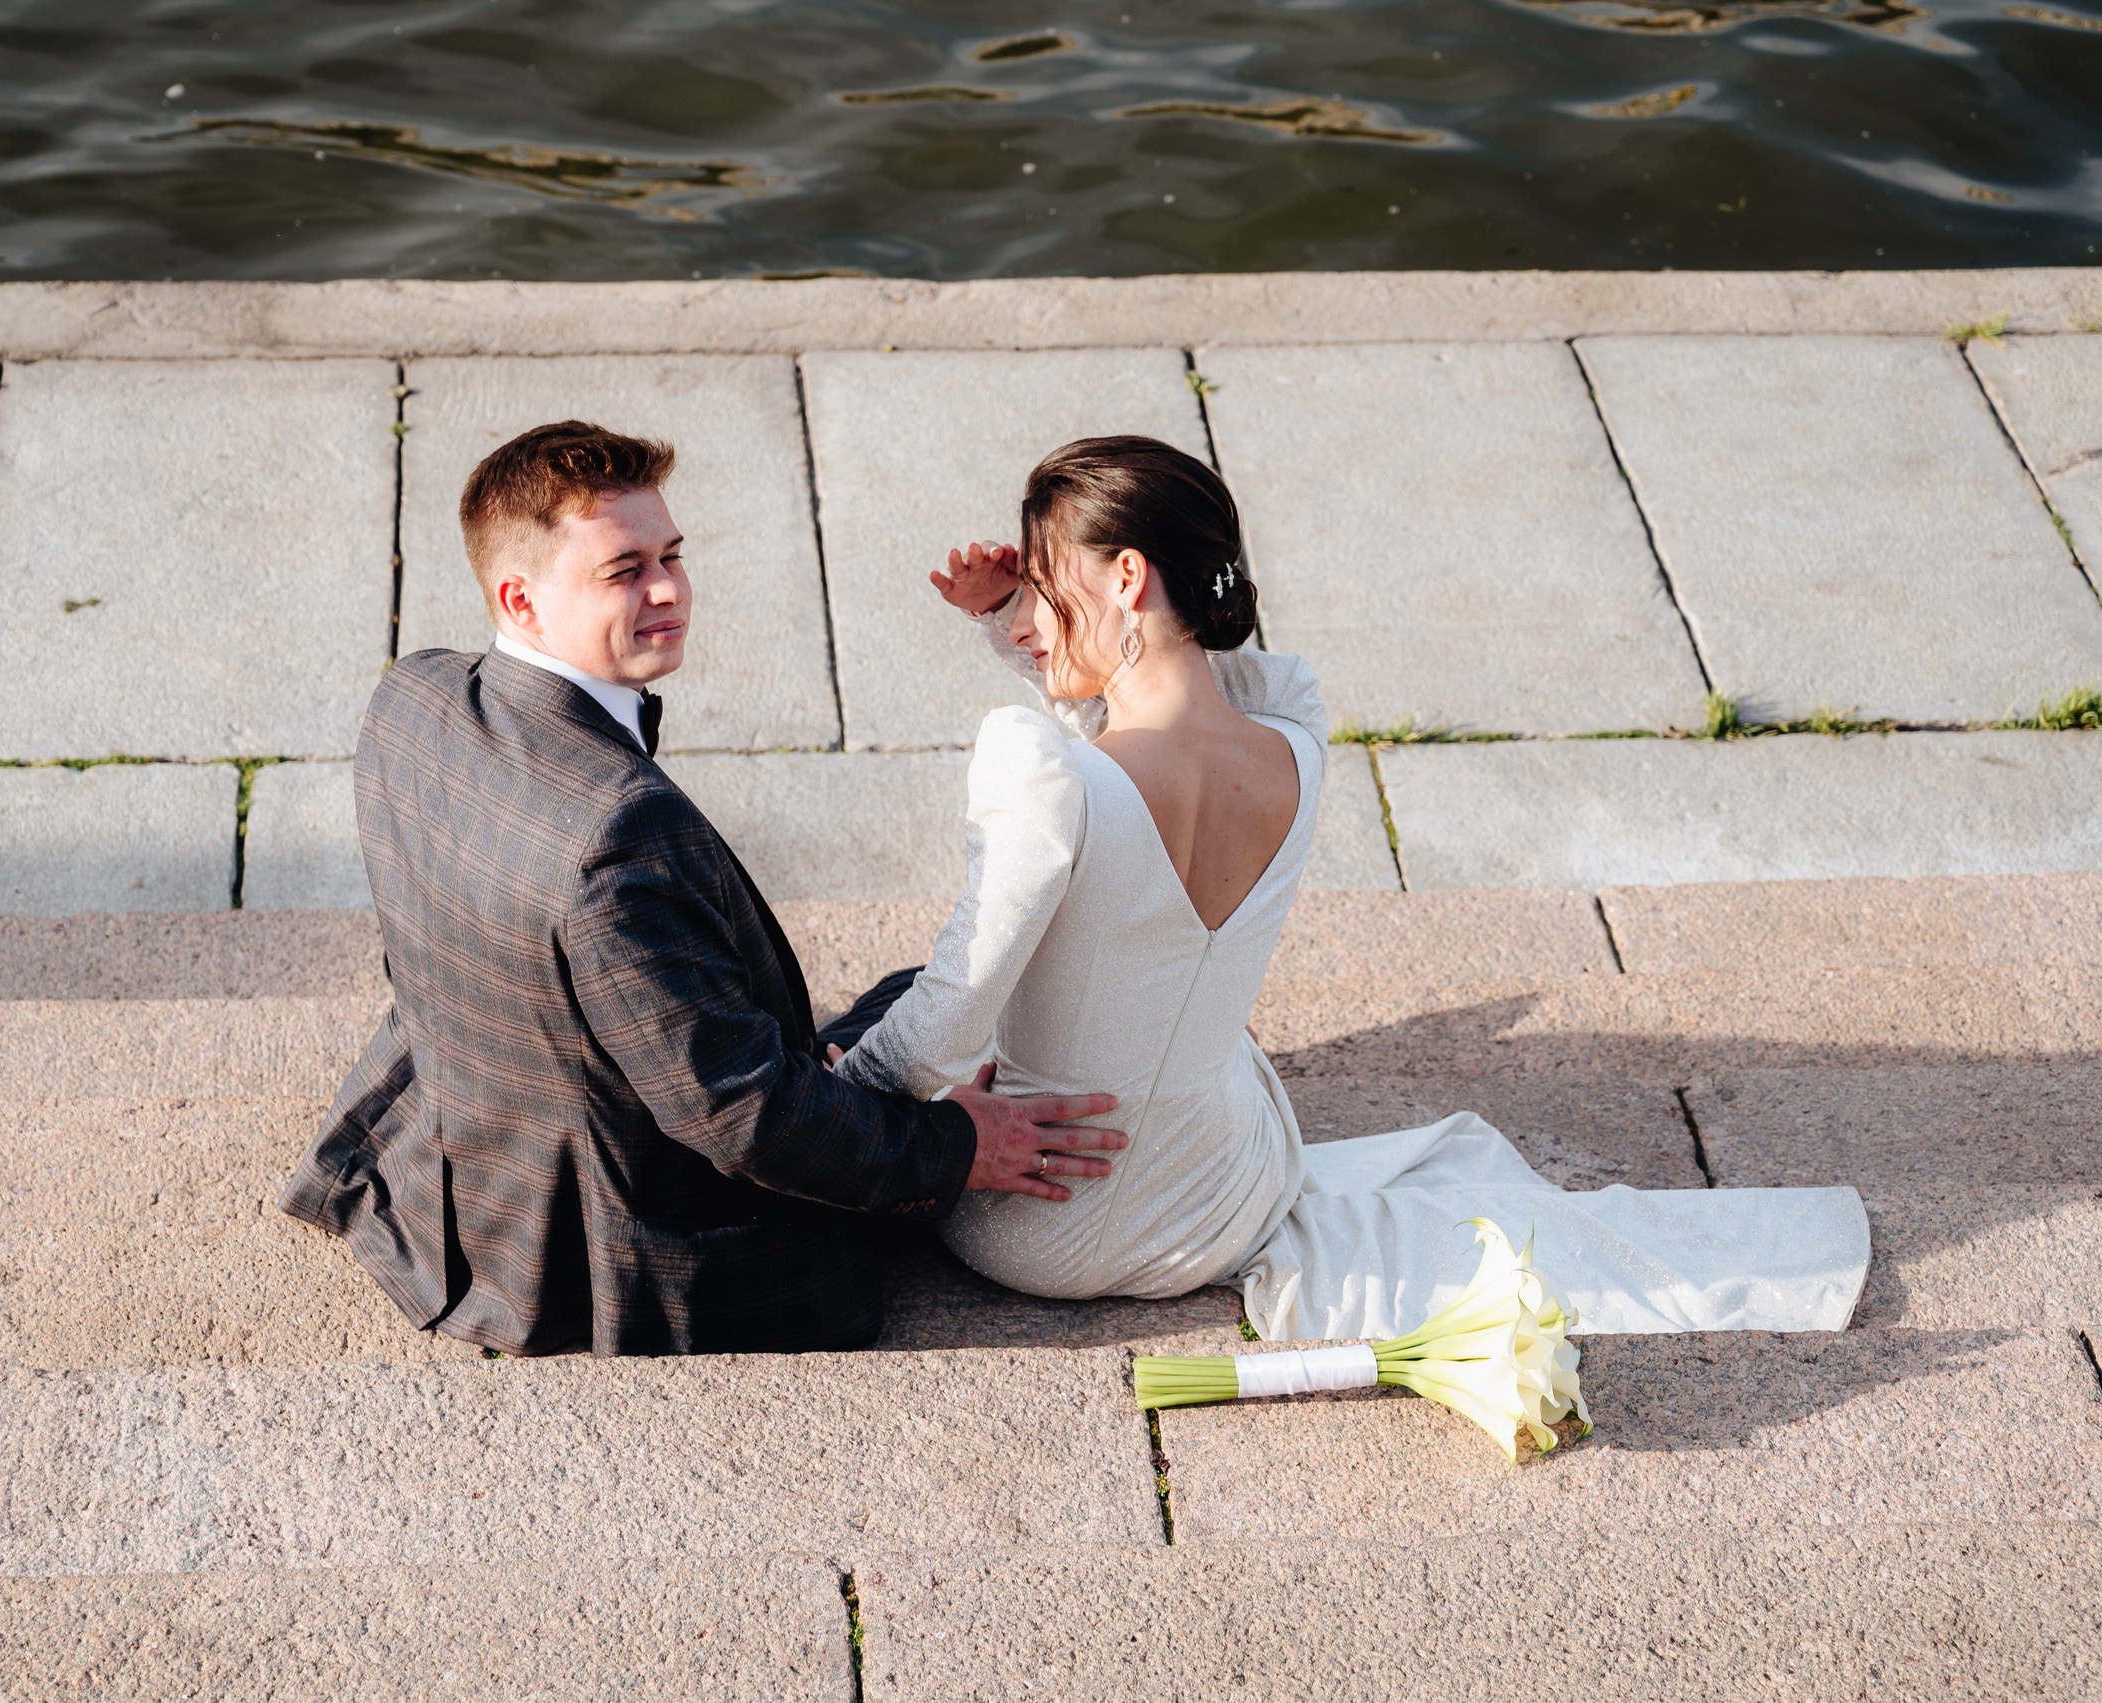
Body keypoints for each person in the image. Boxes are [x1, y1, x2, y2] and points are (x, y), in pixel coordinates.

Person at [834, 435, 1869, 1339]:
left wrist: (827, 1104)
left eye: (1048, 587)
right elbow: (1155, 717)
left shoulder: (1042, 773)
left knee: (927, 1012)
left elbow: (939, 1024)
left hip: (1036, 1226)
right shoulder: (1295, 741)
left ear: (1127, 577)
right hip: (1218, 1208)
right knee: (1191, 1032)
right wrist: (1035, 612)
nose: (1032, 620)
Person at [280, 420, 1127, 1357]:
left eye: (672, 555)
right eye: (624, 570)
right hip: (613, 1252)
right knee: (943, 1018)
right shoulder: (617, 833)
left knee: (906, 1009)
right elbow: (748, 1119)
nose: (669, 590)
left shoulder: (415, 696)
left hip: (447, 1165)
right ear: (519, 599)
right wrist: (963, 1149)